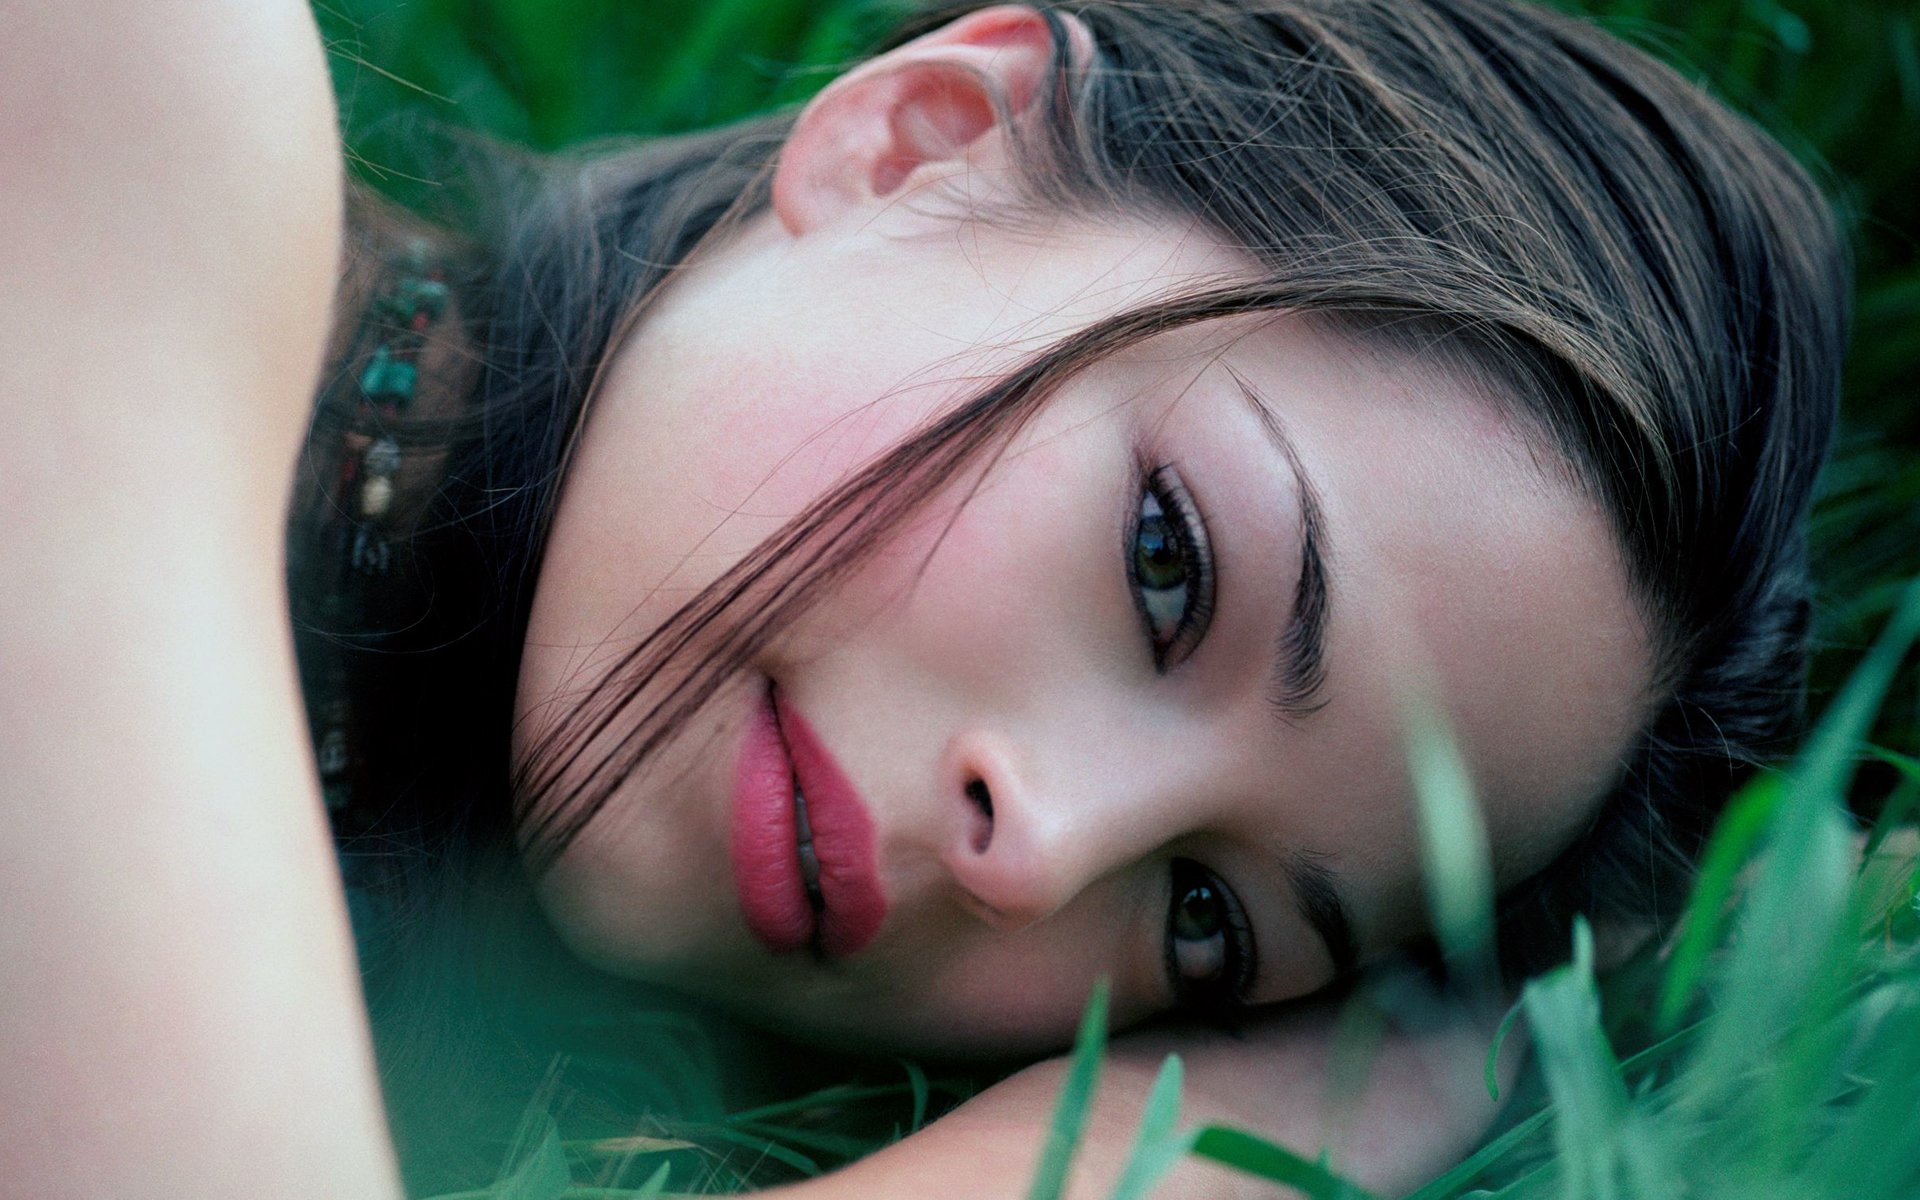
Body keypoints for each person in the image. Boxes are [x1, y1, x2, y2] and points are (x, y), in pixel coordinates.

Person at [0, 0, 1847, 1196]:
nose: (1033, 849)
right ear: (922, 140)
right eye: (1168, 566)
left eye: (1205, 921)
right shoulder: (133, 100)